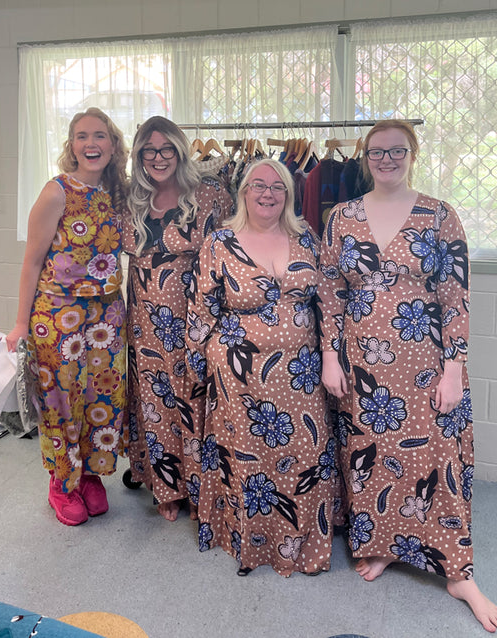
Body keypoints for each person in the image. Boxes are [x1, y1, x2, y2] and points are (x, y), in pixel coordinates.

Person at [320, 120, 497, 630]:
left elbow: (456, 296)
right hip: (363, 365)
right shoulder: (342, 217)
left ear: (412, 153)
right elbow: (330, 294)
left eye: (397, 150)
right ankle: (385, 545)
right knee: (373, 458)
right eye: (377, 151)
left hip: (425, 363)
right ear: (364, 157)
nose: (387, 158)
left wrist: (454, 368)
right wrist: (332, 358)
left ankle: (457, 571)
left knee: (437, 457)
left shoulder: (441, 216)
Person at [187, 158, 336, 576]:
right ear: (243, 192)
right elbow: (202, 307)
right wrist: (196, 366)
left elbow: (327, 303)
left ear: (288, 196)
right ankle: (251, 543)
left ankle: (300, 544)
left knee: (303, 454)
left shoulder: (307, 237)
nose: (267, 193)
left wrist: (332, 356)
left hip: (301, 374)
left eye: (277, 186)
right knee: (248, 461)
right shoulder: (219, 241)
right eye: (258, 185)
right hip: (237, 375)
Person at [6, 107, 129, 526]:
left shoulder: (119, 193)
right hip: (58, 315)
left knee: (102, 397)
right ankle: (62, 481)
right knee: (62, 400)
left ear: (113, 146)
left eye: (99, 136)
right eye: (81, 136)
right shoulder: (56, 191)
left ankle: (91, 474)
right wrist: (21, 324)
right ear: (71, 145)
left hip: (108, 314)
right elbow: (30, 262)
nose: (90, 144)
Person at [122, 116, 234, 522]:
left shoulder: (211, 196)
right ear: (139, 156)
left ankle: (200, 485)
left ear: (180, 151)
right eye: (149, 150)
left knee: (195, 397)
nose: (158, 158)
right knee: (154, 401)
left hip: (195, 317)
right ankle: (165, 485)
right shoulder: (130, 200)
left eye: (167, 149)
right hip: (142, 321)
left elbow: (230, 259)